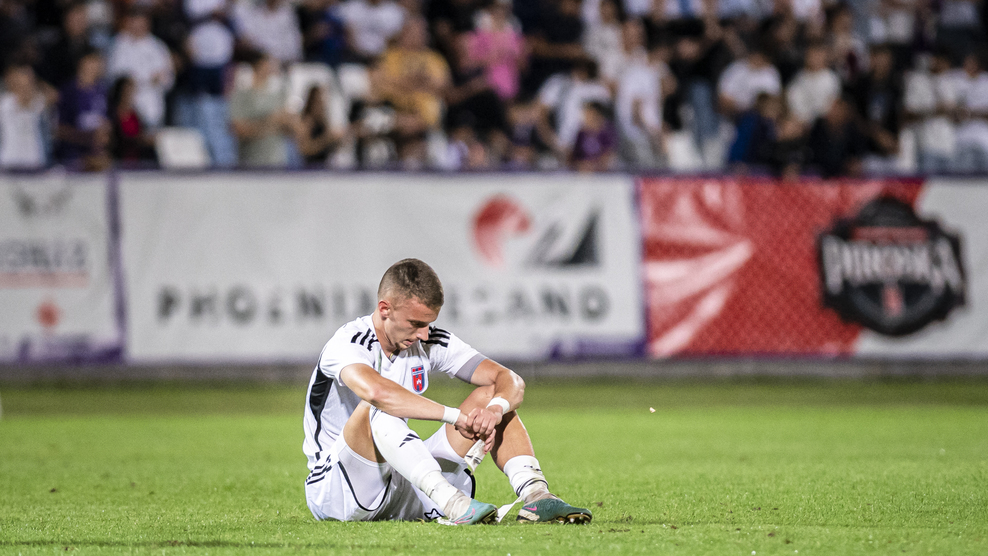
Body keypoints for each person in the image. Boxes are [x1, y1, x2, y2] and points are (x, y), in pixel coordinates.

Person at [303, 258, 593, 525]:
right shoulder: (348, 342)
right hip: (338, 489)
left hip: (399, 482)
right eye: (415, 323)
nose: (423, 334)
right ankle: (453, 503)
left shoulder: (428, 340)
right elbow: (379, 393)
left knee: (491, 396)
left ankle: (536, 495)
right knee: (377, 406)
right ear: (384, 309)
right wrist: (455, 417)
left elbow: (510, 379)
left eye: (428, 323)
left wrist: (495, 410)